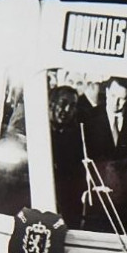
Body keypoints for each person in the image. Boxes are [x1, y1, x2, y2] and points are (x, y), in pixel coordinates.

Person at [49, 84, 86, 227]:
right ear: (52, 104)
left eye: (72, 106)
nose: (67, 110)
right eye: (63, 104)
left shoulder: (77, 137)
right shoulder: (38, 129)